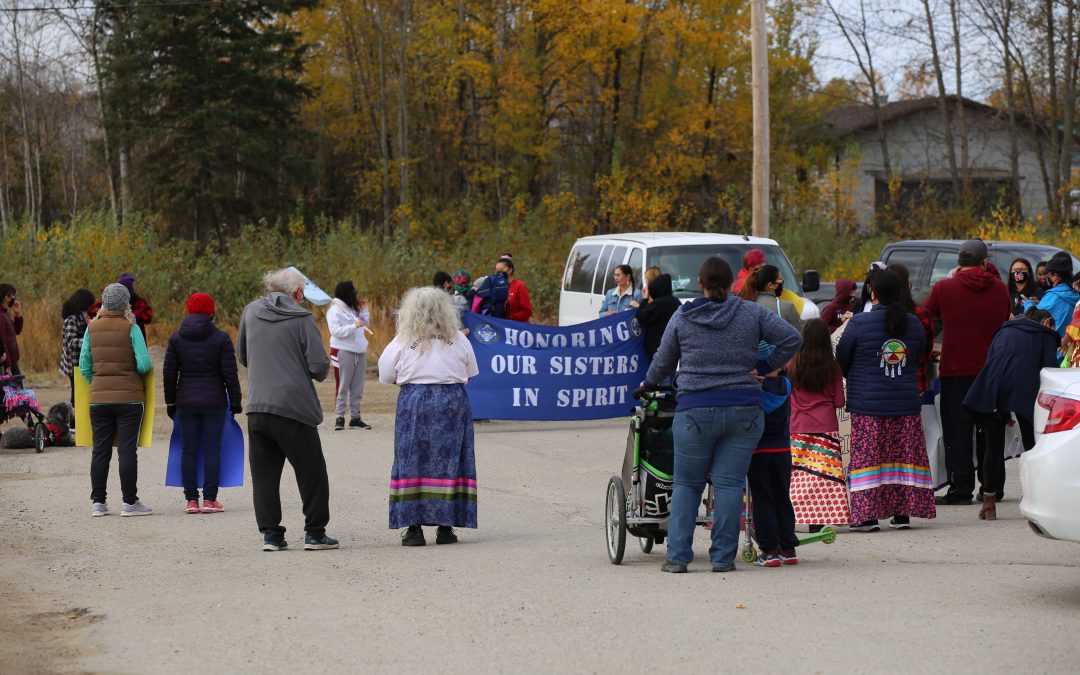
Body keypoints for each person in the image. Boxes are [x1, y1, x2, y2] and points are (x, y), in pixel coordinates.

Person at [644, 256, 802, 573]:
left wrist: (647, 382)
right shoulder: (752, 312)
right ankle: (721, 558)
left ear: (700, 284)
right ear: (733, 283)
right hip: (744, 411)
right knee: (729, 484)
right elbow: (792, 338)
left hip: (695, 412)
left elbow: (663, 359)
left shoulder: (683, 316)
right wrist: (767, 368)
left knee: (687, 485)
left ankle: (677, 557)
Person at [236, 268, 338, 551]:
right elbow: (318, 368)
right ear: (295, 294)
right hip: (294, 407)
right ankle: (315, 532)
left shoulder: (250, 312)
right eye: (302, 294)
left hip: (258, 407)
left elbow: (242, 354)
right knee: (311, 472)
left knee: (264, 475)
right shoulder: (302, 318)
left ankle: (271, 535)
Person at [378, 286, 479, 547]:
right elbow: (470, 372)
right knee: (450, 460)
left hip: (415, 402)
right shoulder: (457, 338)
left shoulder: (402, 339)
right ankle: (445, 527)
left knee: (412, 458)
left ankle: (414, 529)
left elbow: (386, 374)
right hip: (452, 401)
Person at [838, 268, 935, 531]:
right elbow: (915, 358)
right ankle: (901, 514)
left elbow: (842, 359)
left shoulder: (858, 322)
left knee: (869, 460)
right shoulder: (912, 323)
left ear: (872, 291)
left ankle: (868, 517)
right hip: (905, 402)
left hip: (868, 404)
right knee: (902, 457)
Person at [923, 239, 1010, 506]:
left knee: (958, 432)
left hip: (955, 369)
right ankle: (991, 486)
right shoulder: (1000, 290)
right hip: (991, 371)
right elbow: (1005, 320)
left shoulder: (944, 288)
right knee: (990, 431)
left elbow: (924, 317)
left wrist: (929, 351)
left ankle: (960, 488)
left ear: (958, 263)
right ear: (985, 261)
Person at [963, 308, 1058, 520]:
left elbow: (991, 362)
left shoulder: (1004, 331)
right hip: (1026, 388)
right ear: (1047, 322)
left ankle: (989, 502)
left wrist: (1003, 411)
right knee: (1034, 446)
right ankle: (1036, 499)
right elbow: (1052, 373)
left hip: (992, 387)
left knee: (992, 447)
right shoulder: (1045, 336)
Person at [163, 293, 243, 514]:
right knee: (212, 449)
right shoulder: (221, 338)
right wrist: (235, 402)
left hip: (185, 401)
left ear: (189, 310)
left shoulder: (176, 338)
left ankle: (191, 500)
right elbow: (230, 374)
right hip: (215, 402)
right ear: (211, 312)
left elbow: (169, 374)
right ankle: (209, 500)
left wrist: (170, 402)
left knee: (188, 450)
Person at [80, 283, 154, 517]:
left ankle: (98, 503)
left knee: (100, 451)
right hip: (129, 399)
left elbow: (84, 365)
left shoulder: (91, 329)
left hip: (99, 399)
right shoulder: (131, 329)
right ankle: (129, 503)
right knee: (127, 450)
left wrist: (99, 381)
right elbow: (144, 364)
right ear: (125, 304)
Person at [788, 319, 850, 531]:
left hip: (797, 427)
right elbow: (840, 402)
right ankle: (819, 520)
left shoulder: (792, 365)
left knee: (799, 475)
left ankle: (794, 515)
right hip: (826, 427)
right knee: (824, 476)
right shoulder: (833, 368)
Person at [327, 281, 371, 431]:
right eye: (353, 291)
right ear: (346, 293)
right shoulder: (335, 310)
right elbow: (335, 331)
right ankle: (339, 417)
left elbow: (365, 324)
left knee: (357, 386)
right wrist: (354, 326)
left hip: (360, 350)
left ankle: (355, 417)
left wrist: (364, 311)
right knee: (343, 385)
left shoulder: (353, 308)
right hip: (342, 350)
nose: (356, 293)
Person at [889, 263, 934, 396]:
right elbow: (926, 351)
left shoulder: (875, 316)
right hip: (915, 383)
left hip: (883, 385)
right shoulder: (921, 314)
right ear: (908, 284)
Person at [742, 265, 803, 331]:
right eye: (781, 280)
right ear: (771, 285)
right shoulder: (787, 307)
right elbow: (801, 335)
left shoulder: (747, 306)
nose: (782, 283)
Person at [60, 289, 95, 407]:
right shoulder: (71, 320)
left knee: (82, 393)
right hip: (74, 364)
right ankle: (74, 422)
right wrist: (90, 342)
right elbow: (71, 342)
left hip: (81, 363)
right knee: (77, 395)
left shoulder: (84, 317)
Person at [1033, 253, 1080, 338]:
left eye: (1049, 275)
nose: (1048, 278)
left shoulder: (1053, 296)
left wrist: (1028, 304)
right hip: (1073, 348)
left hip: (1055, 347)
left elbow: (1034, 318)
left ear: (1056, 276)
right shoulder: (1077, 292)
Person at [636, 273, 681, 361]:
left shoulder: (658, 304)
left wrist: (645, 299)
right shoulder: (676, 302)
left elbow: (641, 316)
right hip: (673, 348)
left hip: (656, 350)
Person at [117, 273, 153, 340]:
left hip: (137, 340)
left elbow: (148, 316)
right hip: (119, 340)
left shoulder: (139, 302)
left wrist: (131, 315)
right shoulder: (115, 302)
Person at [0, 283, 24, 375]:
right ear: (6, 297)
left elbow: (16, 331)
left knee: (18, 388)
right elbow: (2, 341)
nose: (14, 298)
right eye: (13, 295)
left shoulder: (5, 313)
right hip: (8, 363)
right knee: (16, 388)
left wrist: (17, 315)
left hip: (12, 361)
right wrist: (7, 365)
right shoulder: (1, 316)